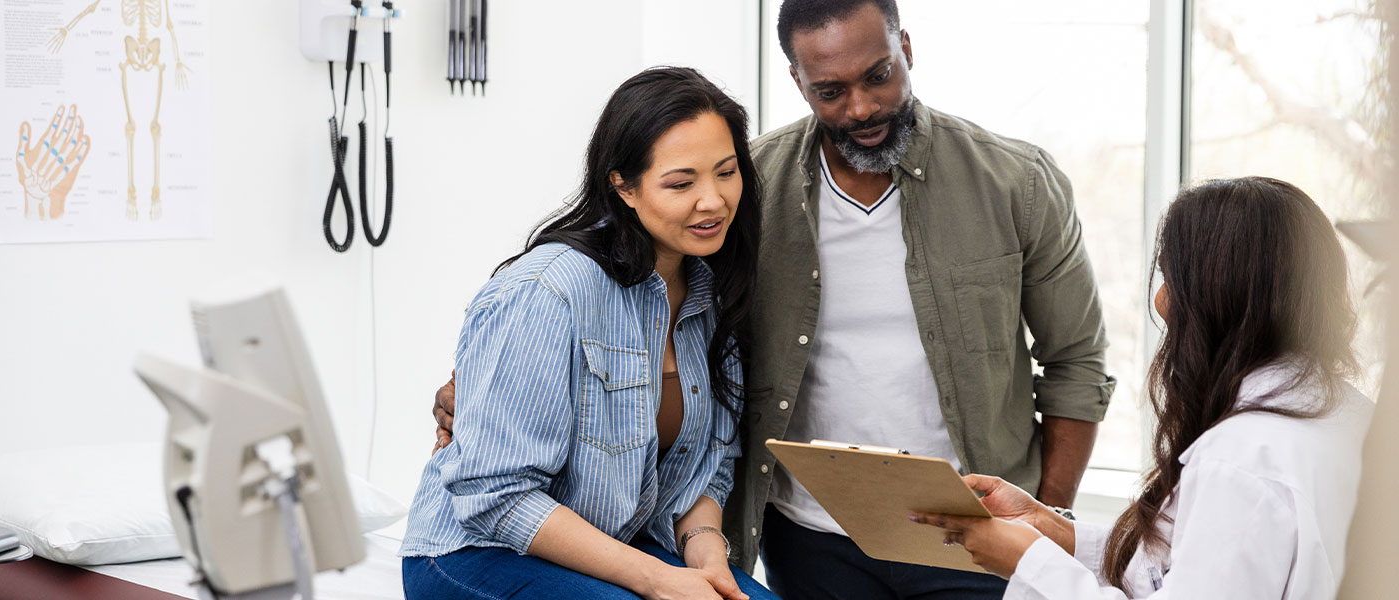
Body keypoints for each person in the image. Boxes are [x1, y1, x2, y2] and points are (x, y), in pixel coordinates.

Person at [434, 1, 1115, 597]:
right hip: (810, 535)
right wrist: (482, 386)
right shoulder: (745, 189)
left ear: (906, 49)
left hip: (975, 537)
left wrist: (1040, 531)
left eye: (879, 74)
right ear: (797, 82)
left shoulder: (1015, 183)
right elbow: (587, 303)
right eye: (830, 89)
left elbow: (1077, 366)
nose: (860, 107)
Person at [399, 67, 778, 600]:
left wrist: (706, 551)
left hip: (612, 550)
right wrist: (658, 579)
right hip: (476, 553)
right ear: (623, 185)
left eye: (726, 172)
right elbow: (494, 494)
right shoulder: (549, 291)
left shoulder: (711, 293)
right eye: (680, 182)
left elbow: (705, 471)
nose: (713, 200)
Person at [912, 177, 1374, 599]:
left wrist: (1029, 561)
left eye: (1171, 278)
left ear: (1213, 296)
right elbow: (1186, 564)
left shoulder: (1239, 460)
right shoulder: (1352, 416)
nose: (1162, 300)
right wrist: (1052, 531)